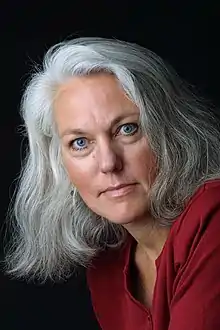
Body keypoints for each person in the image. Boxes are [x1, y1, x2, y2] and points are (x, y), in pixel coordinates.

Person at [3, 37, 220, 330]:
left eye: (126, 130)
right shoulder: (107, 267)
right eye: (80, 143)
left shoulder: (213, 216)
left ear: (170, 132)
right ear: (60, 165)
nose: (108, 163)